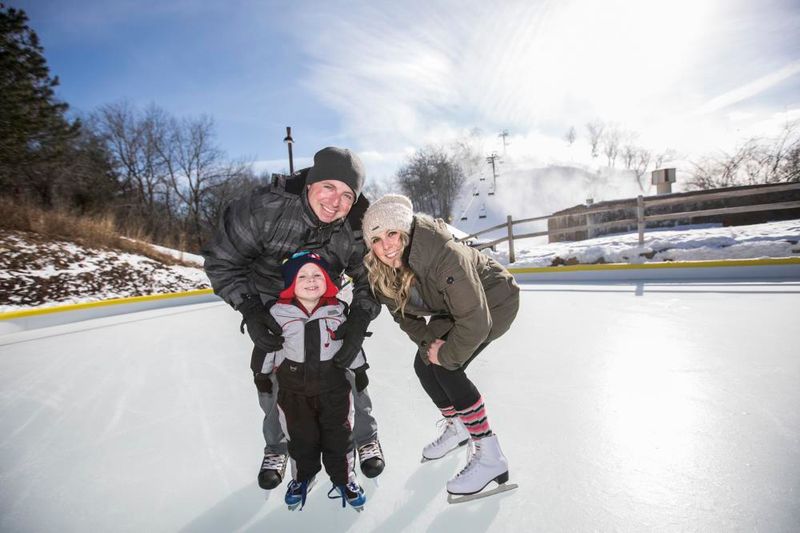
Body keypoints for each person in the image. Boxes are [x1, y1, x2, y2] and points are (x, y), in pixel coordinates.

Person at [202, 147, 384, 491]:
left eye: (348, 195)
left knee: (348, 366)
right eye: (329, 187)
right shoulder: (263, 209)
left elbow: (371, 277)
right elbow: (223, 260)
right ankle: (277, 447)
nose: (336, 202)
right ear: (310, 184)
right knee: (270, 374)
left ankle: (365, 437)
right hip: (269, 298)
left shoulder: (358, 224)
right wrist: (252, 311)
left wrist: (359, 318)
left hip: (324, 296)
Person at [360, 194, 519, 498]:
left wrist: (445, 353)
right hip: (454, 309)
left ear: (405, 231)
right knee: (424, 363)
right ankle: (457, 426)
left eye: (392, 233)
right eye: (377, 239)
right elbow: (405, 317)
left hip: (495, 300)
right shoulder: (384, 271)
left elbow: (475, 320)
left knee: (447, 366)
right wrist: (428, 343)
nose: (386, 245)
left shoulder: (444, 253)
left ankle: (490, 456)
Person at [263, 251, 368, 511]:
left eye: (317, 275)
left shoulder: (338, 310)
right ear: (290, 283)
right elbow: (268, 347)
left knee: (339, 435)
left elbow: (350, 343)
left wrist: (360, 369)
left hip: (333, 389)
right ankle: (302, 477)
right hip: (293, 392)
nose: (311, 281)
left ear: (328, 281)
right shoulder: (278, 314)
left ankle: (345, 479)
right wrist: (262, 375)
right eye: (303, 276)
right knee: (300, 438)